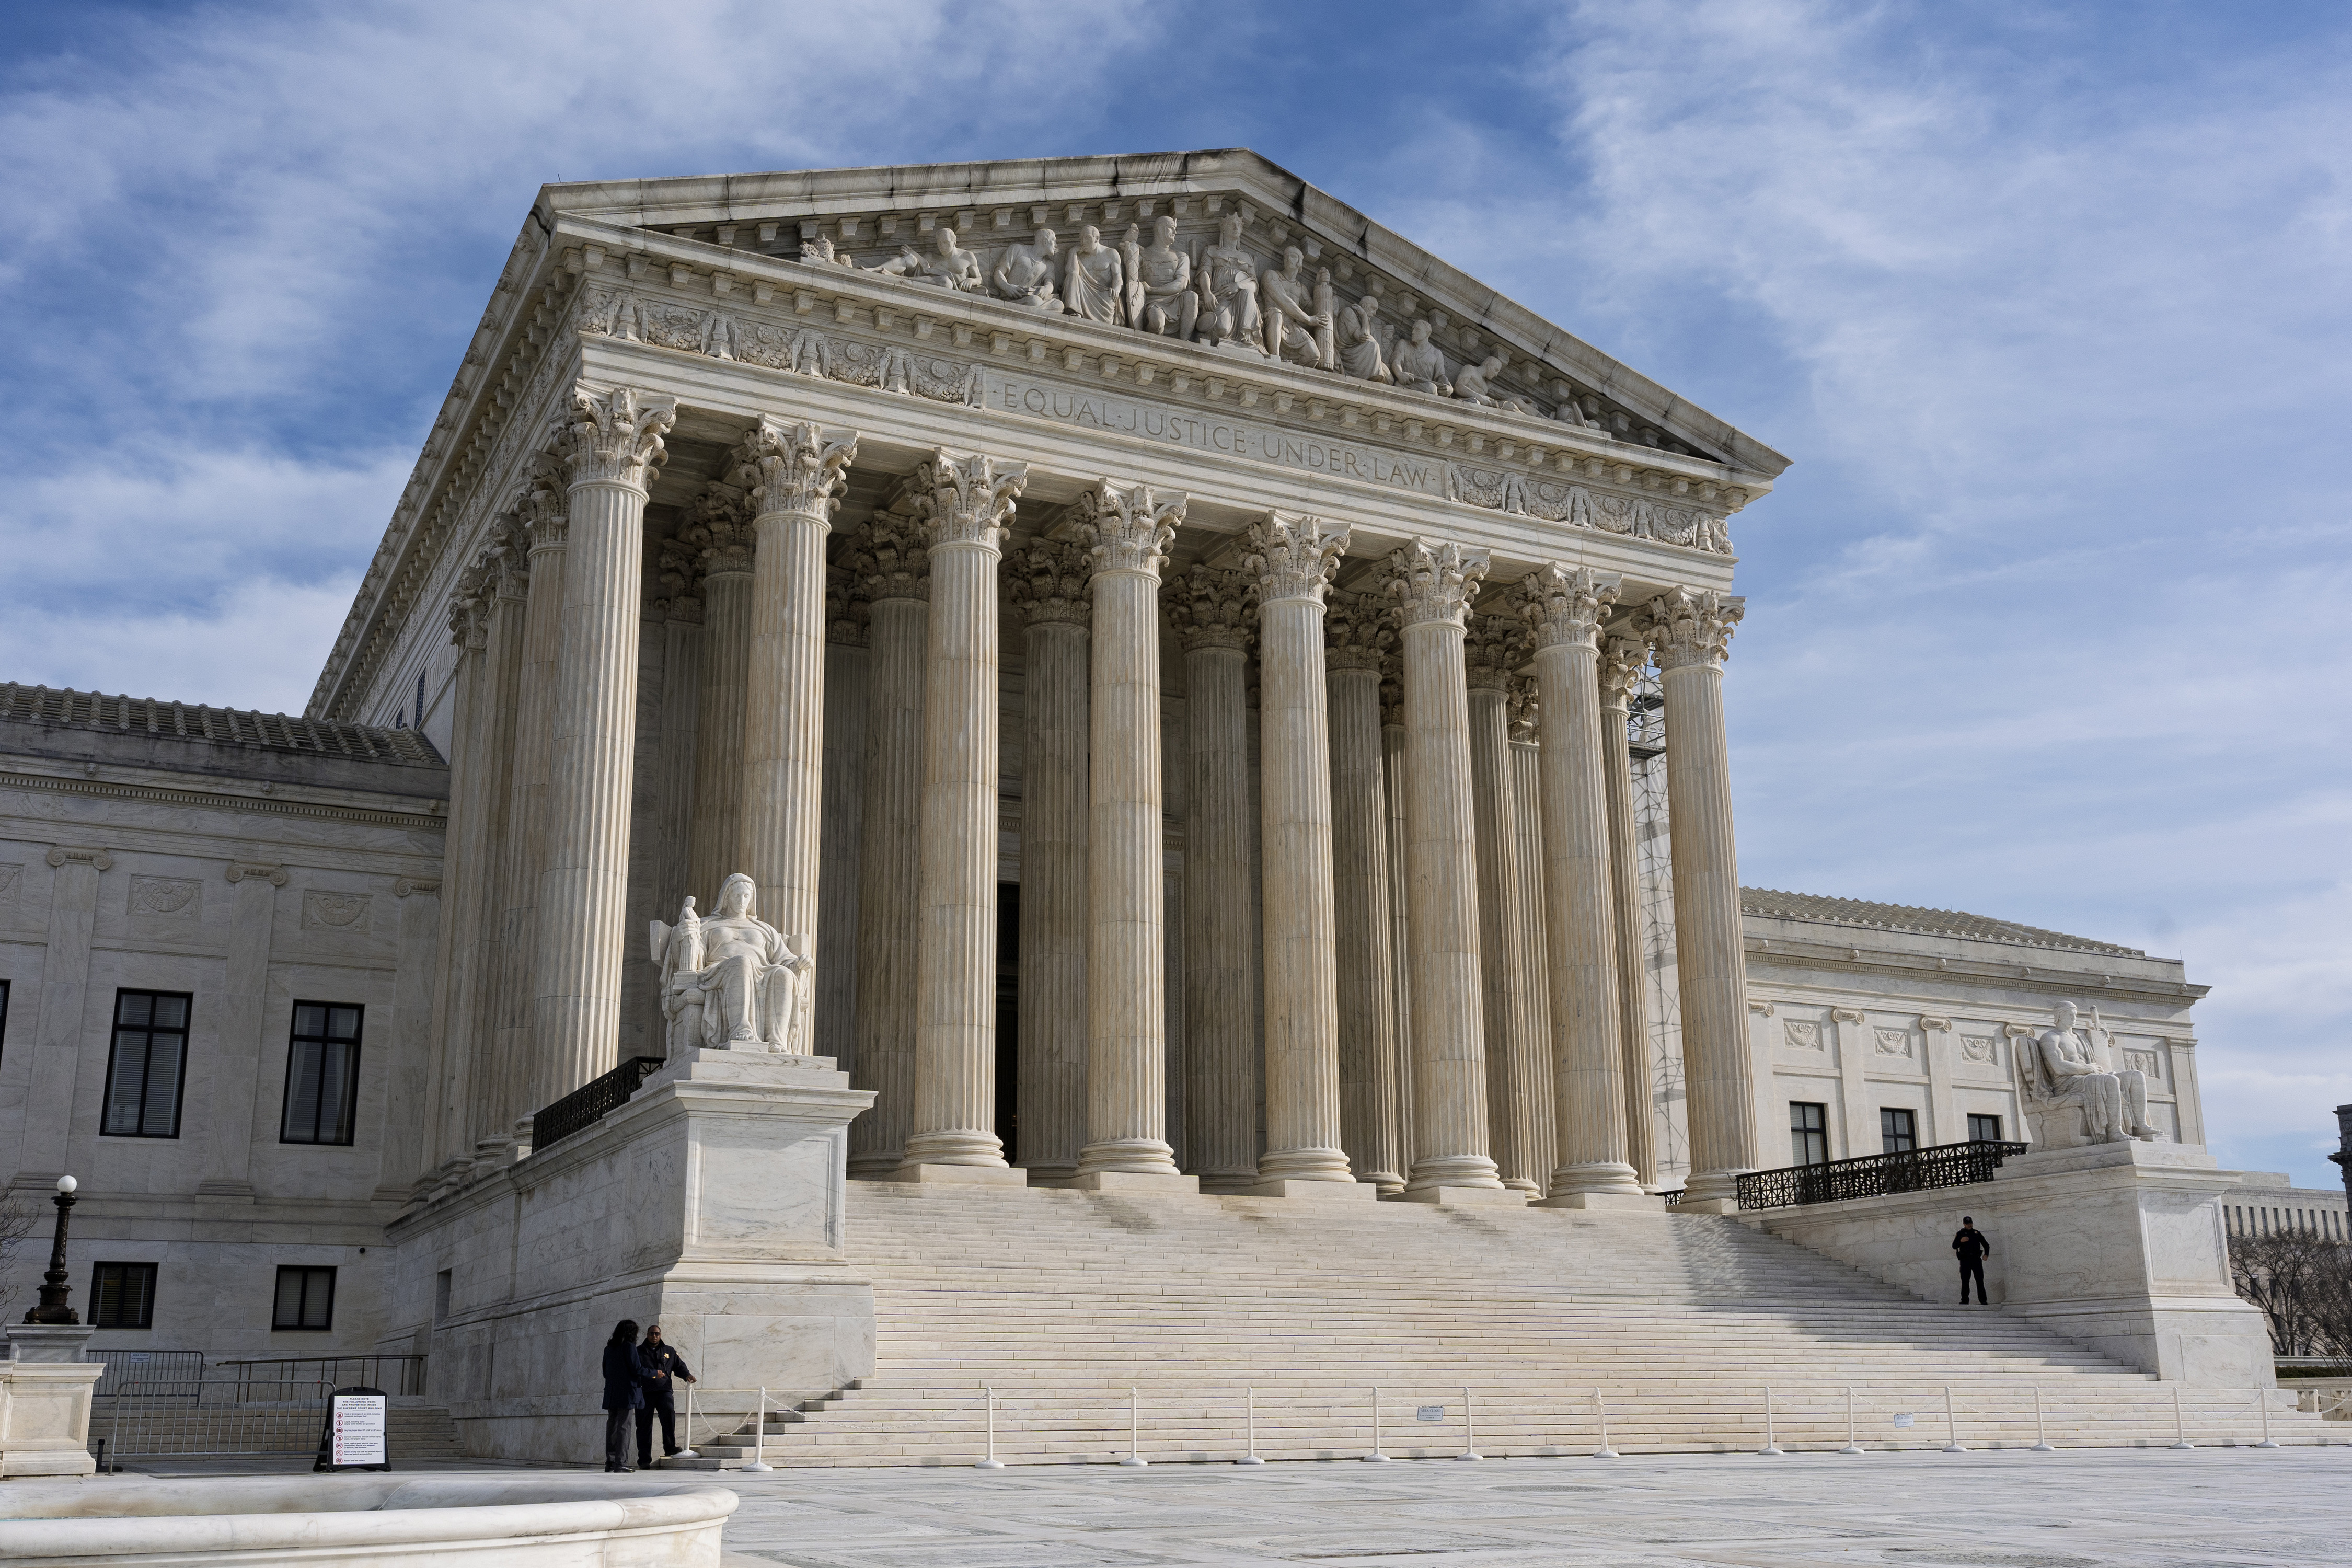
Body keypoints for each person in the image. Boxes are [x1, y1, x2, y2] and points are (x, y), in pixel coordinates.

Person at [633, 1322, 698, 1467]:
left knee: (669, 1419)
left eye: (657, 1334)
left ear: (660, 1335)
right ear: (647, 1335)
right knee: (644, 1427)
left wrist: (687, 1375)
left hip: (664, 1392)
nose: (654, 1336)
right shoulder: (639, 1352)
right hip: (645, 1393)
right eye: (652, 1334)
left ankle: (670, 1448)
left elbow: (679, 1366)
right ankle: (644, 1460)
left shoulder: (669, 1351)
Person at [600, 1319, 645, 1471]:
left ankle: (611, 1462)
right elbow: (637, 1369)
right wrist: (654, 1374)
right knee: (624, 1428)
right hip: (627, 1393)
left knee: (612, 1427)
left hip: (612, 1393)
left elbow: (605, 1372)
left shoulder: (609, 1349)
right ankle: (621, 1463)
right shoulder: (629, 1347)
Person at [1952, 1216, 1991, 1305]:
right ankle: (1965, 1301)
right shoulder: (1960, 1234)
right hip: (1965, 1260)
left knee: (1980, 1280)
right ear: (1964, 1224)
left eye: (1970, 1223)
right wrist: (1961, 1241)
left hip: (1976, 1260)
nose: (1969, 1225)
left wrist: (1986, 1255)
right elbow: (1954, 1246)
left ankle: (1983, 1300)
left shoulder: (1976, 1233)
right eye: (1967, 1224)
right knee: (1965, 1281)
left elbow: (1986, 1245)